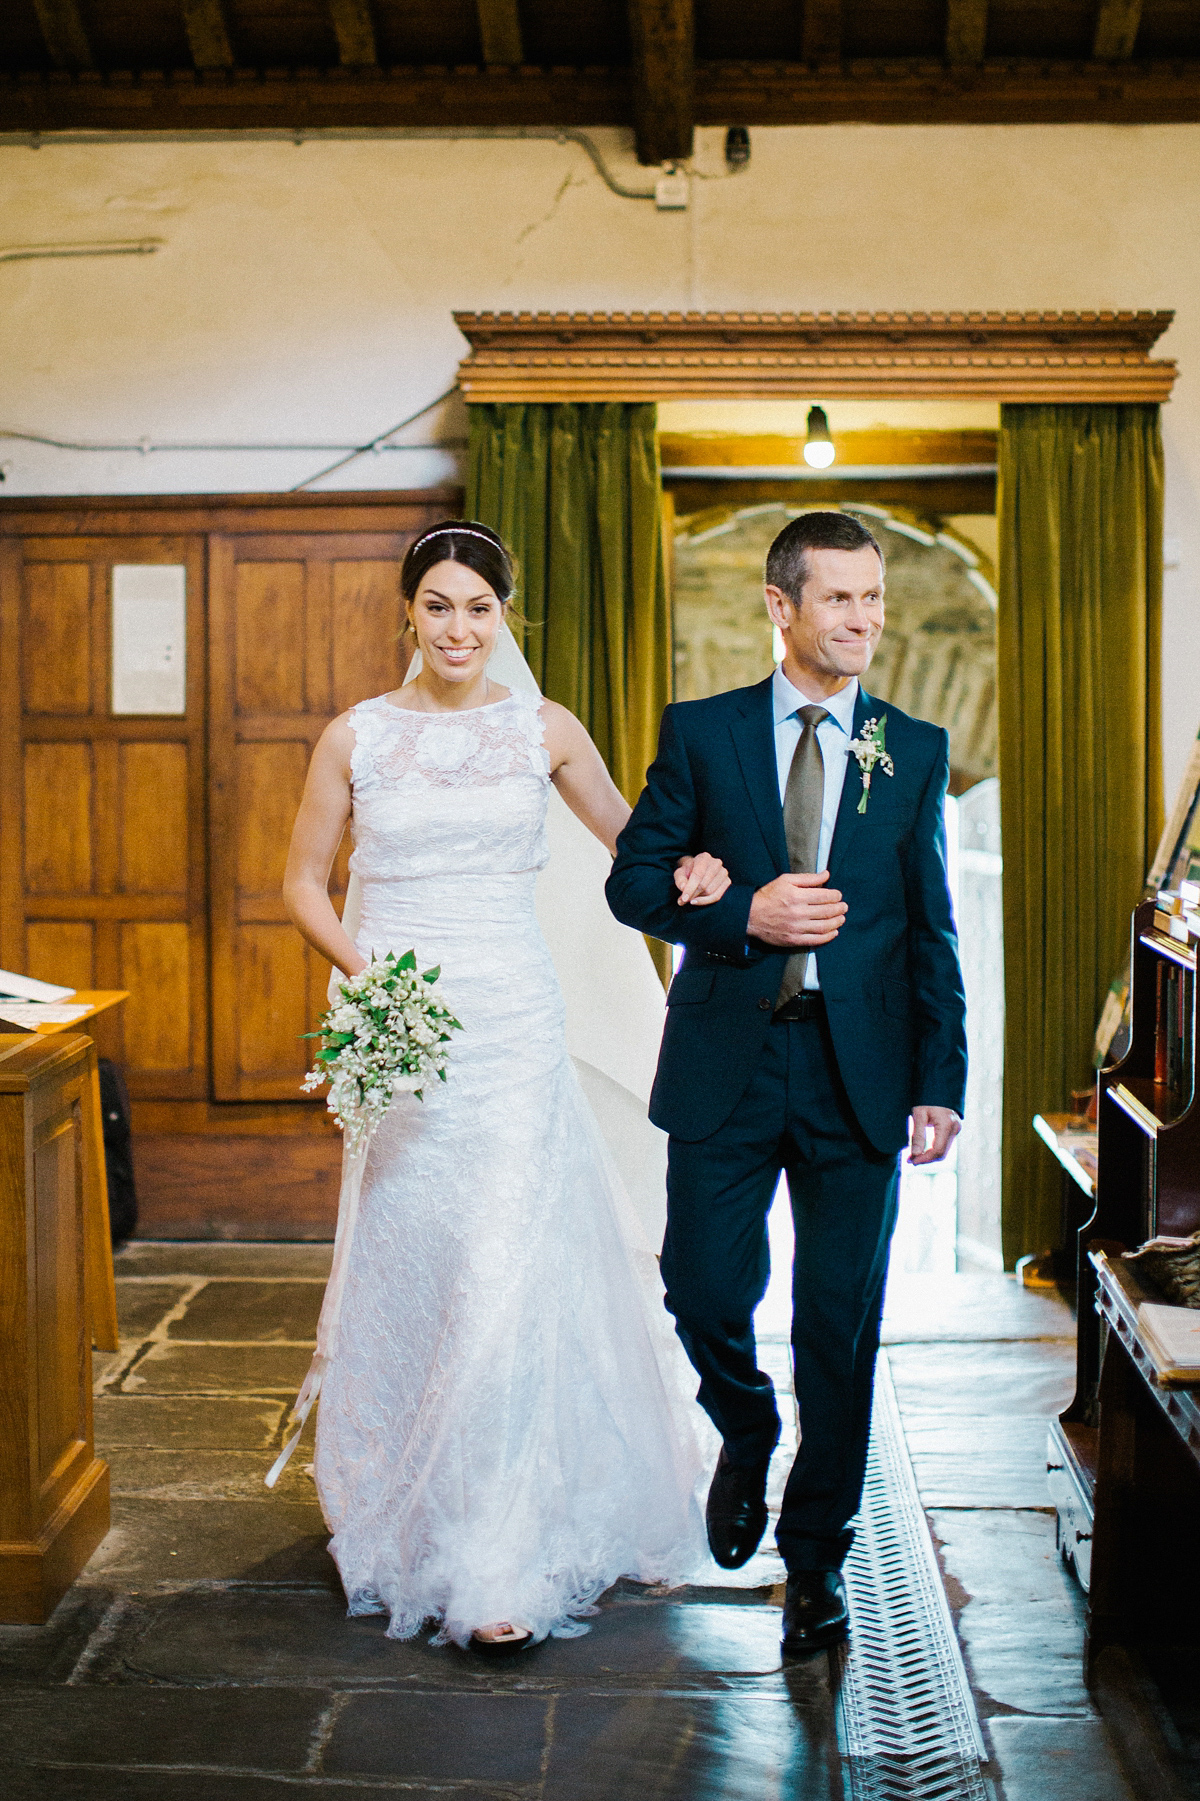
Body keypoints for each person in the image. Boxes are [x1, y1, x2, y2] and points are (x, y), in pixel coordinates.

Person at [282, 520, 729, 1654]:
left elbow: (633, 846)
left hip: (516, 1027)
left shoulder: (545, 729)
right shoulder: (356, 737)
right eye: (437, 605)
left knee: (501, 1260)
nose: (457, 627)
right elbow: (300, 884)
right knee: (413, 1255)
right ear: (408, 614)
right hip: (407, 1031)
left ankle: (498, 1544)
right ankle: (405, 1495)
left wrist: (697, 870)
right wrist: (369, 981)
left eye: (478, 608)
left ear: (505, 617)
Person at [606, 510, 968, 1657]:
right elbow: (632, 881)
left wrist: (940, 1076)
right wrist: (734, 911)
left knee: (838, 1325)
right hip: (729, 1059)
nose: (865, 620)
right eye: (841, 599)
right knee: (705, 1287)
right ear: (781, 607)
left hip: (859, 1072)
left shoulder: (910, 749)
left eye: (874, 598)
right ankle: (747, 1428)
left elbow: (931, 926)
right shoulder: (702, 734)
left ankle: (815, 1561)